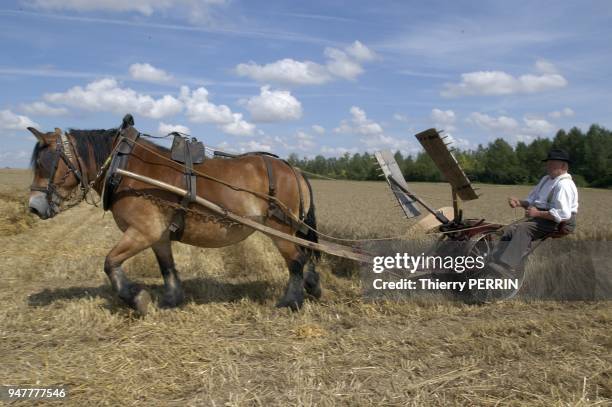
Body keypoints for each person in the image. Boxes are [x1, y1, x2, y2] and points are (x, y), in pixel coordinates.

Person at [491, 148, 579, 271]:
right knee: (510, 229)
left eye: (552, 163)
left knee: (523, 229)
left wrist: (537, 213)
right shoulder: (546, 179)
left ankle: (508, 266)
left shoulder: (564, 185)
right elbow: (532, 201)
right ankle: (495, 259)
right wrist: (519, 203)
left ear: (563, 166)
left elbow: (563, 214)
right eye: (547, 163)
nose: (548, 166)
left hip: (560, 222)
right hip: (543, 217)